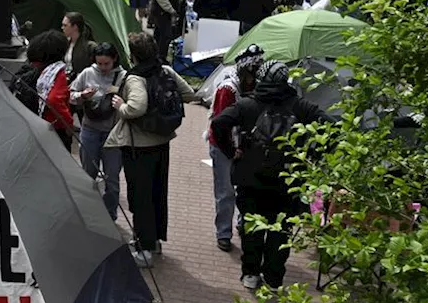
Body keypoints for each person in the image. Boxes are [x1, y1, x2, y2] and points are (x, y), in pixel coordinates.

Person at [210, 60, 331, 289]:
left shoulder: (247, 105)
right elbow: (330, 125)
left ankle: (250, 274)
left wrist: (231, 151)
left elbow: (218, 124)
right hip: (287, 180)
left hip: (251, 177)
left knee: (252, 228)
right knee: (281, 231)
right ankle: (274, 278)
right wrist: (312, 154)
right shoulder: (300, 106)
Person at [105, 31, 197, 267]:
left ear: (133, 55)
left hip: (139, 146)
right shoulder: (165, 70)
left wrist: (121, 105)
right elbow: (188, 93)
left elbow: (136, 107)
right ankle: (154, 241)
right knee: (158, 193)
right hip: (162, 142)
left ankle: (143, 249)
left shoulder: (135, 78)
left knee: (140, 197)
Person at [206, 44, 264, 252]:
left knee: (246, 187)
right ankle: (223, 233)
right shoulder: (228, 89)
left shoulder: (257, 87)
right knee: (226, 192)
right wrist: (232, 150)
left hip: (246, 145)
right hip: (223, 145)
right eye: (252, 71)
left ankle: (242, 223)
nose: (254, 76)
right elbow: (220, 124)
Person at [69, 42, 126, 218]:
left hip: (113, 133)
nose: (102, 68)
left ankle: (110, 215)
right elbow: (70, 95)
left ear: (114, 59)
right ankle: (87, 213)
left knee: (112, 178)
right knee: (88, 175)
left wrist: (122, 105)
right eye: (99, 63)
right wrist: (82, 96)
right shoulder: (87, 73)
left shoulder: (123, 77)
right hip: (90, 130)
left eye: (106, 64)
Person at [15, 30, 75, 149]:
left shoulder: (31, 71)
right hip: (54, 130)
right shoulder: (57, 73)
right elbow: (54, 100)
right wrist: (68, 124)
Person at [61, 11, 97, 80]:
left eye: (65, 25)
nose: (62, 28)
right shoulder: (65, 44)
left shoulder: (90, 47)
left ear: (75, 27)